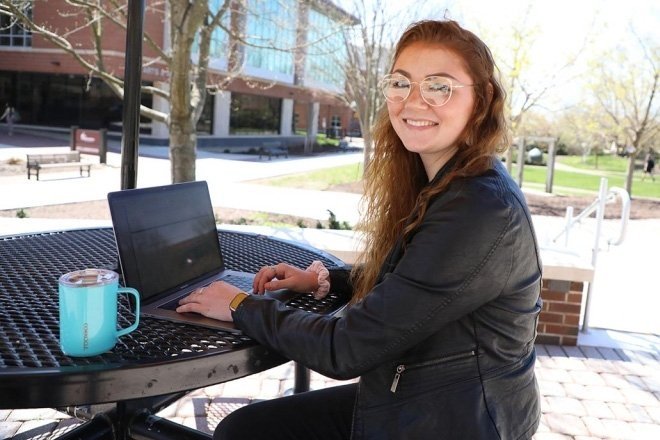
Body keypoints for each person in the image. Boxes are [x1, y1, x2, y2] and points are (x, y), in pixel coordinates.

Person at [177, 19, 542, 439]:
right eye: (401, 83)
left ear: (481, 101)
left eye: (439, 86)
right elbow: (415, 282)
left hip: (456, 418)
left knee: (245, 433)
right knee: (248, 428)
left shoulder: (480, 209)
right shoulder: (447, 184)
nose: (413, 101)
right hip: (417, 393)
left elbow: (346, 349)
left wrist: (241, 305)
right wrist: (324, 281)